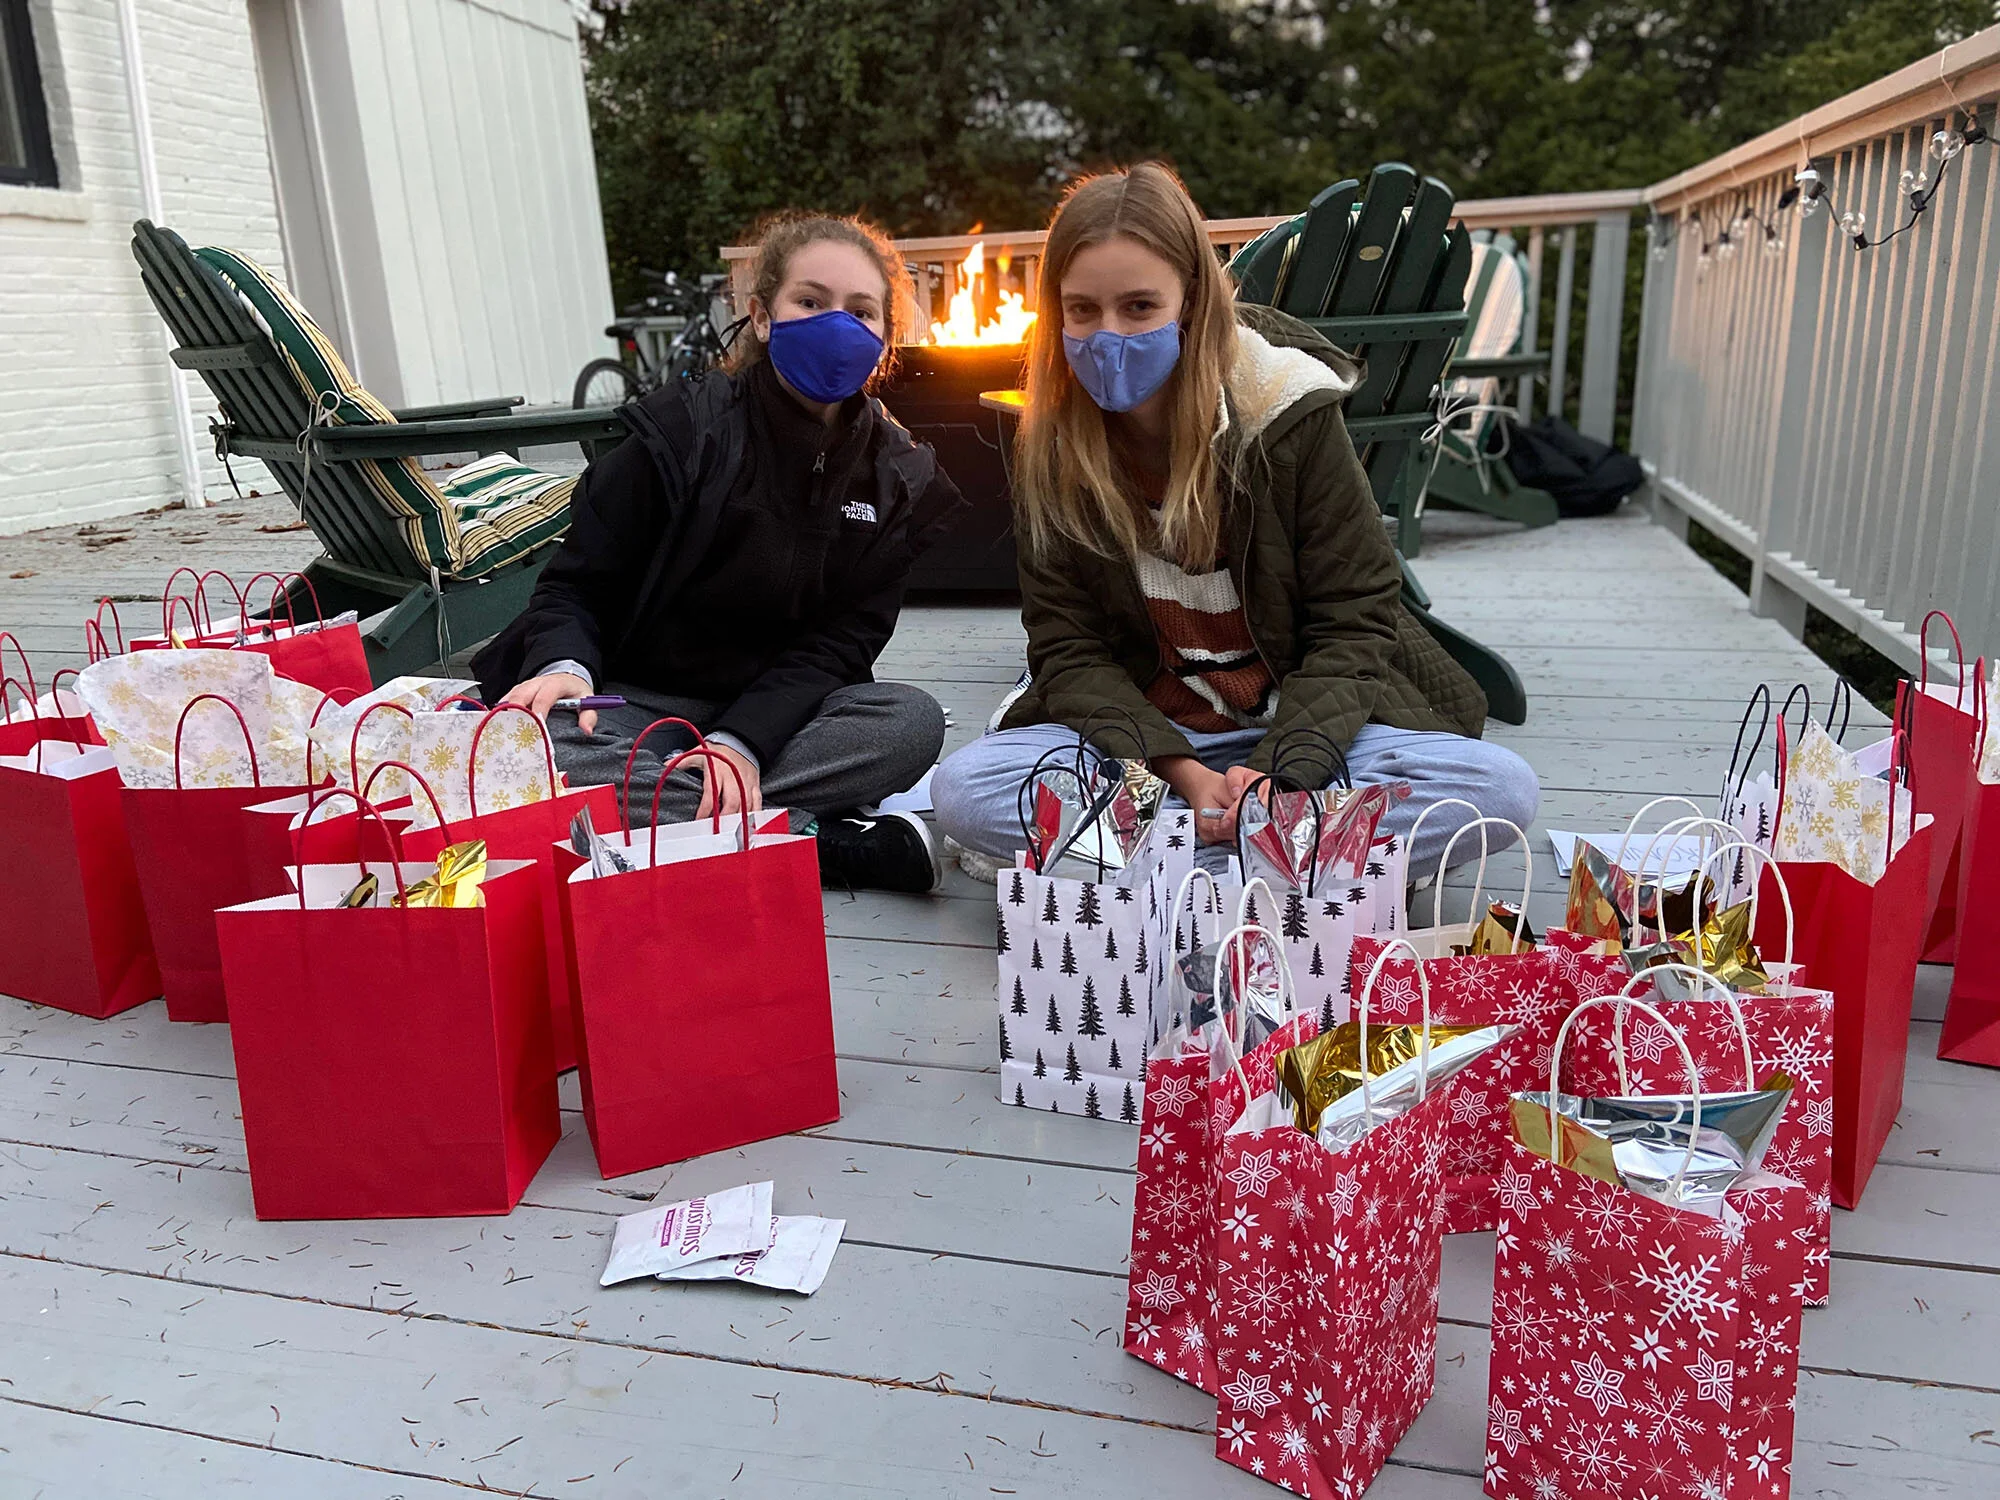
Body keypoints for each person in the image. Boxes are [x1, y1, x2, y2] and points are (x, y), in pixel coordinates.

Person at [930, 163, 1537, 877]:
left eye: (1138, 307)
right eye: (1082, 310)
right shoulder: (1054, 444)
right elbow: (1068, 648)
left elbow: (1355, 617)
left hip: (1304, 735)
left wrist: (1283, 774)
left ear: (1189, 302)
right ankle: (1279, 864)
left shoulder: (1291, 416)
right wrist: (1181, 772)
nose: (1107, 334)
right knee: (963, 791)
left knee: (1499, 790)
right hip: (1150, 746)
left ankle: (1171, 868)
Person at [475, 212, 966, 893]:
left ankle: (687, 806)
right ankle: (809, 840)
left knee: (907, 723)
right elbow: (576, 586)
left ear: (885, 340)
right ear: (763, 317)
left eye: (862, 312)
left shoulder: (898, 481)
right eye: (811, 302)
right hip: (627, 702)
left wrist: (742, 742)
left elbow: (838, 650)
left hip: (772, 720)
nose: (836, 324)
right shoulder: (677, 434)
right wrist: (568, 667)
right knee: (518, 747)